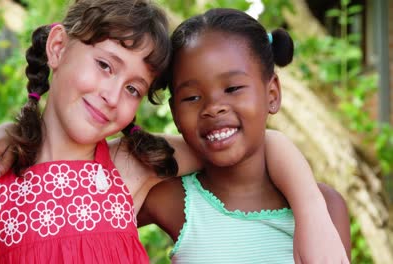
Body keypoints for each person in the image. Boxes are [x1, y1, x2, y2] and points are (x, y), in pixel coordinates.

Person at [0, 2, 349, 264]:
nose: (110, 95)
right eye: (105, 65)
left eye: (132, 89)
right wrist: (8, 134)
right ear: (57, 47)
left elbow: (251, 142)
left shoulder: (129, 166)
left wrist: (310, 205)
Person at [138, 8, 351, 263]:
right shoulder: (171, 199)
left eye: (233, 88)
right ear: (174, 113)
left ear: (272, 94)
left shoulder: (324, 208)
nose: (213, 107)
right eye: (192, 97)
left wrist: (310, 208)